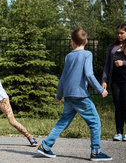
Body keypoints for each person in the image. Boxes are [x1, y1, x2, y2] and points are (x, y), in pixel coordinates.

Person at [37, 29, 112, 161]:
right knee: (95, 122)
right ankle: (95, 151)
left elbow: (63, 78)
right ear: (86, 41)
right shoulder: (87, 54)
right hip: (81, 96)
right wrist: (101, 90)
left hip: (68, 95)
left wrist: (59, 95)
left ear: (72, 41)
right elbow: (89, 74)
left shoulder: (69, 56)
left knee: (63, 121)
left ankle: (46, 145)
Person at [102, 23, 126, 142]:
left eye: (122, 33)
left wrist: (124, 63)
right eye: (118, 33)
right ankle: (119, 132)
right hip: (115, 81)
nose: (119, 35)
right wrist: (104, 80)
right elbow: (107, 65)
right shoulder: (112, 47)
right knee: (118, 107)